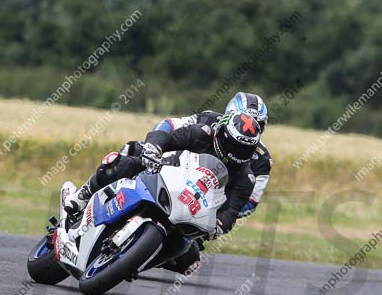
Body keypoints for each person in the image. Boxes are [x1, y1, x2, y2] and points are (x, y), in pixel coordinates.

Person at [63, 111, 262, 273]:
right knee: (122, 163)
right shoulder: (202, 133)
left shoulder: (246, 178)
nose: (236, 153)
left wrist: (218, 225)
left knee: (188, 258)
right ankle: (83, 195)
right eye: (233, 145)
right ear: (222, 135)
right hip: (164, 172)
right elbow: (168, 137)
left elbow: (231, 211)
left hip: (189, 208)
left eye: (244, 150)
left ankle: (133, 263)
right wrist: (154, 148)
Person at [152, 92, 272, 218]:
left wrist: (217, 216)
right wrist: (153, 146)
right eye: (242, 118)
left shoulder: (263, 159)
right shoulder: (208, 118)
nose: (249, 127)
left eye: (259, 124)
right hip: (172, 173)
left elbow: (250, 203)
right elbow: (169, 125)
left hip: (204, 209)